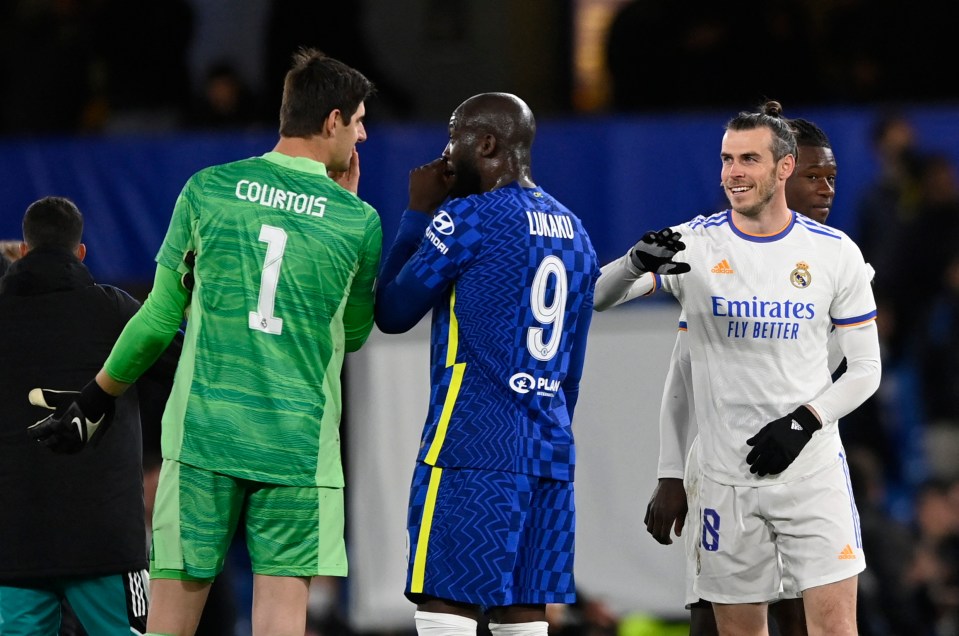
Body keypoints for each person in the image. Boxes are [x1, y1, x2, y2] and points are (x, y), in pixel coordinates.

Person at [28, 49, 382, 635]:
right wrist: (345, 203)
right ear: (331, 122)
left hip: (204, 440)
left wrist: (94, 398)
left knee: (168, 627)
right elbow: (353, 335)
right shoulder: (357, 221)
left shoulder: (207, 190)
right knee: (280, 622)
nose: (365, 133)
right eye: (359, 120)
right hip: (297, 448)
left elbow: (159, 318)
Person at [596, 101, 880, 634]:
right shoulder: (696, 246)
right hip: (725, 481)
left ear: (782, 167)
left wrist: (804, 422)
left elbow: (866, 368)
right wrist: (634, 262)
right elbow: (597, 297)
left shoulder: (834, 253)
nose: (733, 172)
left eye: (748, 159)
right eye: (727, 159)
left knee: (836, 627)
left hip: (811, 471)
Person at [374, 92, 599, 636]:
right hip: (548, 450)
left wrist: (415, 214)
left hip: (472, 444)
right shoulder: (578, 236)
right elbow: (572, 371)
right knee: (523, 615)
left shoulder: (466, 219)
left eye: (453, 137)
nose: (446, 153)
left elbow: (392, 311)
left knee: (446, 604)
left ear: (487, 143)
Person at [0, 196, 178, 634]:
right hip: (106, 541)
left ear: (24, 250)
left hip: (15, 542)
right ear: (81, 252)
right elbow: (186, 367)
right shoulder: (115, 310)